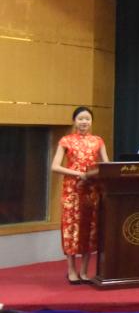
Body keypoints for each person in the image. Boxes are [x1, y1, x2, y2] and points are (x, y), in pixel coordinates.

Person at [51, 105, 109, 284]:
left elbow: (106, 165)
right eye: (81, 119)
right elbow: (55, 166)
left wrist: (92, 175)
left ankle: (84, 271)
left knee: (89, 229)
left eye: (87, 119)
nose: (84, 122)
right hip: (72, 191)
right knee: (71, 229)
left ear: (91, 122)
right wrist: (79, 174)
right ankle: (71, 270)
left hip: (92, 190)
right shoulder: (66, 140)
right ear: (74, 121)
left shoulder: (98, 140)